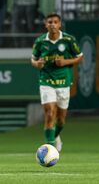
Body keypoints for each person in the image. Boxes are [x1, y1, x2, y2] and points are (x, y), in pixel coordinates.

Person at [31, 13, 83, 152]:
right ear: (45, 24)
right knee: (49, 114)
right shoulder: (40, 41)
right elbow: (33, 59)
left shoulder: (68, 40)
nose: (52, 24)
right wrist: (38, 64)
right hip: (46, 81)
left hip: (64, 82)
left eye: (55, 22)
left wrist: (65, 62)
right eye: (50, 22)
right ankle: (50, 148)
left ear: (60, 24)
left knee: (61, 120)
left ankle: (55, 136)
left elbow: (79, 57)